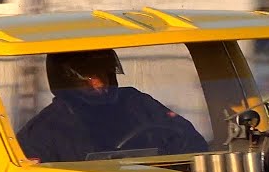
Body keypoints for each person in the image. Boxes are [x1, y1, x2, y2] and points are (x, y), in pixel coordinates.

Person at [16, 49, 208, 163]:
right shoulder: (42, 132)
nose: (99, 84)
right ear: (64, 82)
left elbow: (191, 143)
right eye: (89, 78)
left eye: (104, 74)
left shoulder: (136, 103)